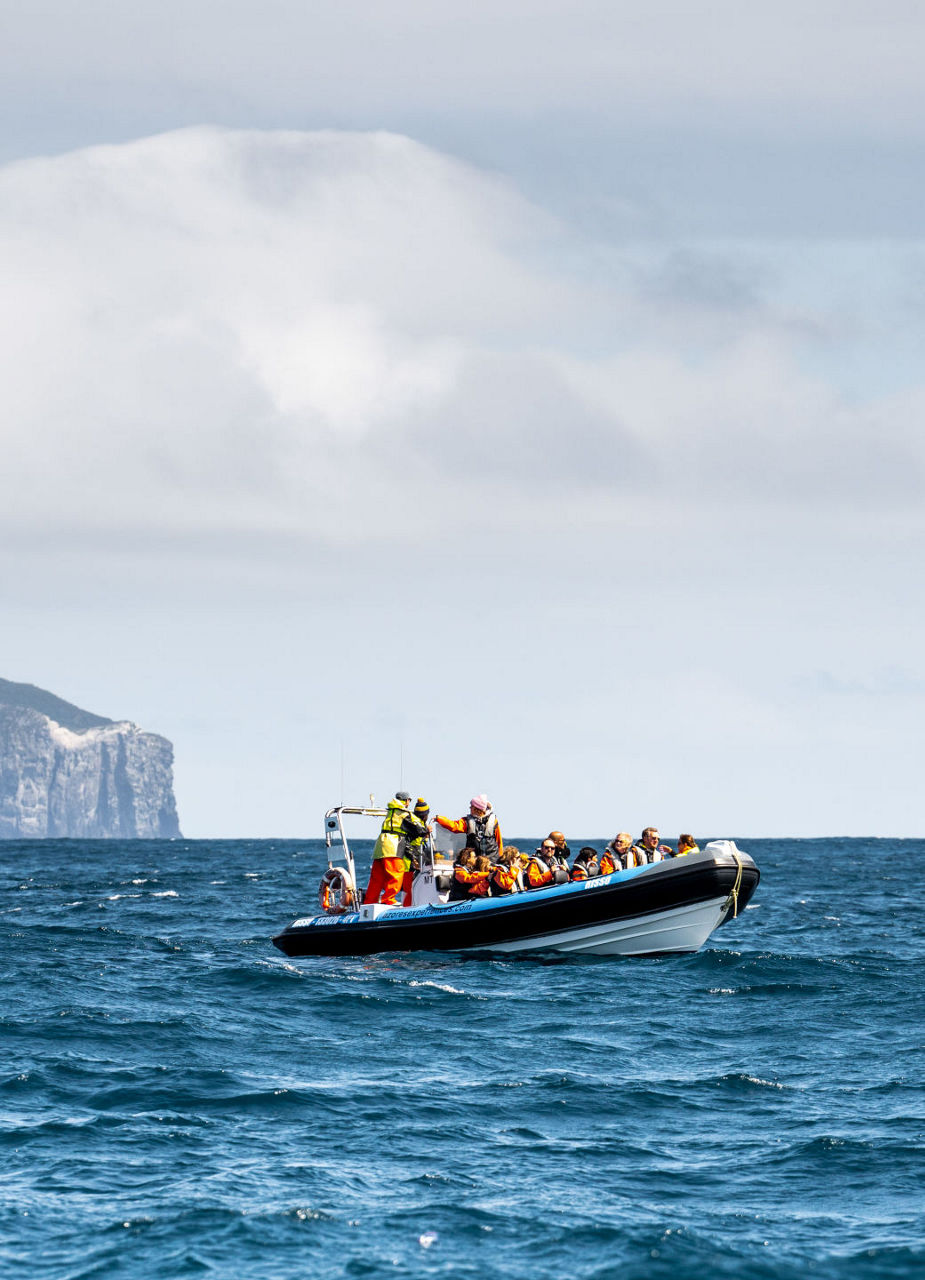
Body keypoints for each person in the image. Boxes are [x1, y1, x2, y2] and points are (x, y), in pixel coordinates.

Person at [362, 791, 428, 906]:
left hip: (380, 847)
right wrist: (427, 830)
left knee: (377, 878)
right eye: (409, 801)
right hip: (393, 847)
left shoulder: (391, 811)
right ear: (406, 801)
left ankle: (369, 902)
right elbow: (419, 829)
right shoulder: (404, 813)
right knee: (396, 873)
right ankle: (388, 899)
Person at [435, 794, 503, 859]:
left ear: (477, 809)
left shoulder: (493, 821)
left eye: (471, 806)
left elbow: (499, 841)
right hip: (473, 861)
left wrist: (501, 859)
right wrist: (440, 819)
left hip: (491, 862)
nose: (470, 808)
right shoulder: (467, 821)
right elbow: (454, 826)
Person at [400, 796, 433, 905]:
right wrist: (414, 859)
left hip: (418, 856)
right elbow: (408, 842)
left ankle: (413, 904)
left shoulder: (420, 823)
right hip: (409, 858)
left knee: (413, 885)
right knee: (408, 885)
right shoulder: (414, 822)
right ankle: (406, 907)